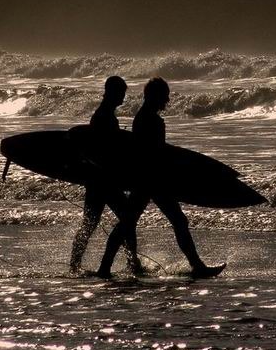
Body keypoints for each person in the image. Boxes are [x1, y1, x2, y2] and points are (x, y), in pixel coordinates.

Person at [97, 77, 226, 278]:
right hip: (152, 181)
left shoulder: (142, 117)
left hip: (148, 179)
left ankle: (104, 268)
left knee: (130, 222)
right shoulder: (150, 120)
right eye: (164, 96)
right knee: (142, 222)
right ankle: (197, 266)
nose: (167, 101)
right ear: (155, 96)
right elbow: (156, 154)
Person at [69, 76, 142, 274]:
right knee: (126, 218)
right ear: (112, 93)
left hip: (98, 179)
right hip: (104, 180)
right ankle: (131, 263)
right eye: (121, 93)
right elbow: (103, 151)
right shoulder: (104, 117)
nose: (123, 98)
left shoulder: (104, 115)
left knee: (91, 223)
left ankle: (75, 265)